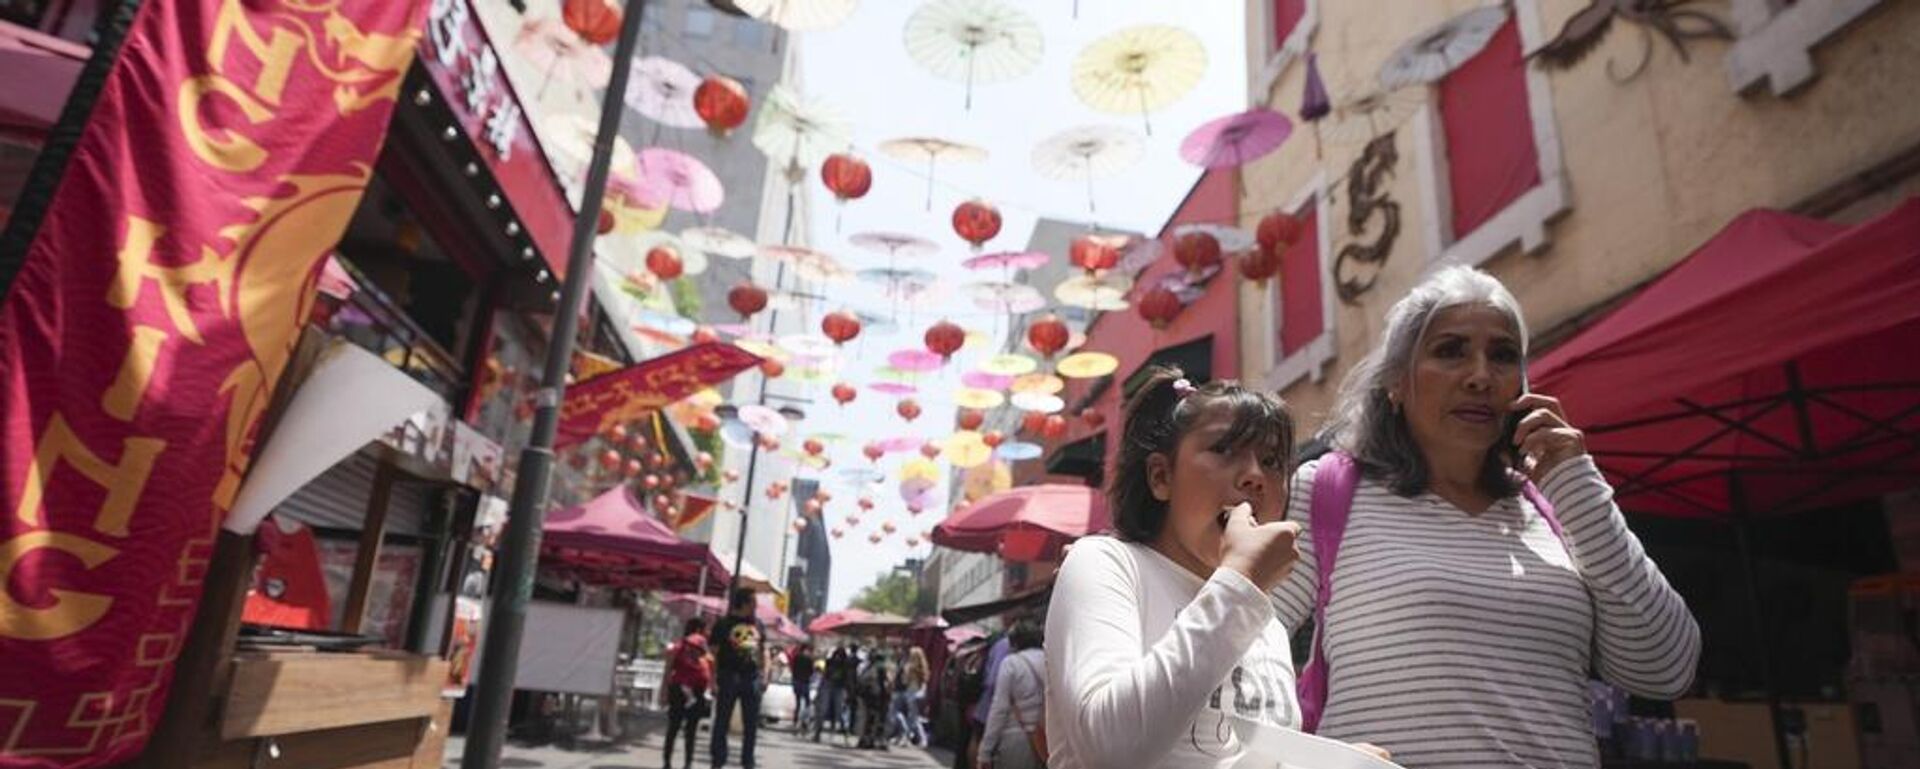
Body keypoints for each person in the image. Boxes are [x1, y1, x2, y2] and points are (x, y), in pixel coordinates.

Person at [1271, 266, 1702, 768]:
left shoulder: (1558, 507)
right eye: (1450, 351)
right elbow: (1238, 653)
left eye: (1502, 355)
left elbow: (1666, 669)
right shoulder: (1327, 490)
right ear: (1396, 382)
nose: (1480, 377)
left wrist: (1578, 487)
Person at [1046, 367, 1375, 769]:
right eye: (1225, 450)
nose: (1255, 475)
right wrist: (1240, 582)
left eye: (1272, 461)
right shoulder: (1106, 564)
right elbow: (1110, 749)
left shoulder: (1262, 617)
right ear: (1161, 477)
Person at [709, 588, 769, 769]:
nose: (756, 606)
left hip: (751, 677)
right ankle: (718, 760)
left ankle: (748, 761)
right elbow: (713, 654)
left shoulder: (758, 624)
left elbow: (764, 650)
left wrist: (765, 674)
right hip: (729, 675)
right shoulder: (723, 624)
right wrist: (712, 680)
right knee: (722, 720)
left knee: (751, 724)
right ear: (744, 603)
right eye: (753, 602)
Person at [977, 621, 1045, 769]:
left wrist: (985, 752)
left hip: (1017, 738)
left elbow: (999, 709)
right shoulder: (1050, 660)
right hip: (1047, 740)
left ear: (1014, 642)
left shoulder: (1011, 663)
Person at [662, 618, 712, 769]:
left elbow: (668, 670)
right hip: (696, 691)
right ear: (698, 630)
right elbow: (710, 664)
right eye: (705, 629)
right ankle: (687, 763)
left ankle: (667, 763)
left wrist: (664, 691)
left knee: (673, 727)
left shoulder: (678, 646)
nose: (707, 632)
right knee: (691, 730)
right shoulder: (703, 647)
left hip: (678, 688)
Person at [966, 632, 1012, 765]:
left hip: (988, 700)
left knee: (979, 738)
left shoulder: (1000, 644)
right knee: (981, 739)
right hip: (991, 701)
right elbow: (993, 680)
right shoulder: (1005, 645)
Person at [890, 645, 931, 746]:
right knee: (912, 717)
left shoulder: (910, 667)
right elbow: (923, 682)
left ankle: (916, 738)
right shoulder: (922, 668)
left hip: (912, 693)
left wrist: (906, 673)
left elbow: (905, 681)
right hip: (915, 693)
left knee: (912, 718)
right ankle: (913, 737)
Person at [813, 645, 852, 741]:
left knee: (838, 711)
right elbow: (825, 676)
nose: (838, 658)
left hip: (837, 687)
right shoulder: (831, 662)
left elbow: (847, 679)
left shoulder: (845, 664)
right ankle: (818, 732)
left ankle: (833, 731)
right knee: (825, 710)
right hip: (829, 686)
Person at [856, 650, 894, 749]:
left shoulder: (869, 668)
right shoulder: (885, 667)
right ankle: (878, 740)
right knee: (880, 719)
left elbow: (861, 681)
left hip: (870, 696)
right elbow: (889, 682)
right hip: (880, 696)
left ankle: (867, 739)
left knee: (869, 718)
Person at [789, 643, 816, 732]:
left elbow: (793, 668)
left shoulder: (797, 657)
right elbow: (811, 671)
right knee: (807, 703)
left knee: (798, 703)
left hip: (796, 681)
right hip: (805, 682)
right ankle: (804, 721)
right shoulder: (809, 659)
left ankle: (795, 721)